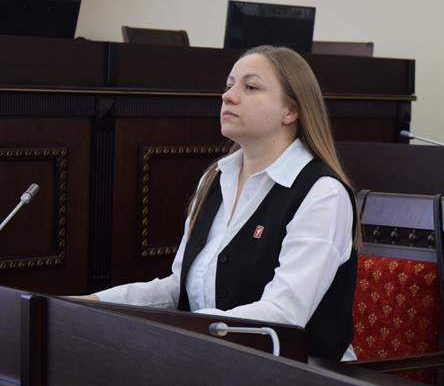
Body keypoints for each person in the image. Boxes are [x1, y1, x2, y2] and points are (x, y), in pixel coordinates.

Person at [85, 45, 360, 361]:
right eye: (229, 85)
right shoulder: (215, 178)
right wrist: (95, 303)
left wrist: (188, 330)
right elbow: (178, 290)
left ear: (290, 111)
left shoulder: (322, 193)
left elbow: (284, 315)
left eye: (250, 87)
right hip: (213, 360)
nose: (228, 96)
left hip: (300, 375)